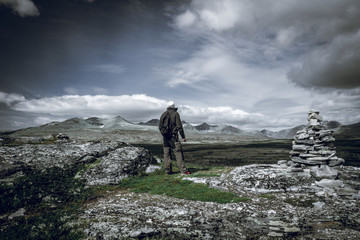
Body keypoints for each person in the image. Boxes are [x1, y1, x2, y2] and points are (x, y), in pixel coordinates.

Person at [159, 101, 190, 175]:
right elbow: (179, 126)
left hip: (165, 137)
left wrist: (164, 134)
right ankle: (183, 171)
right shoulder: (176, 114)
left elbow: (160, 127)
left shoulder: (163, 114)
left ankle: (168, 171)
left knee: (166, 154)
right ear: (174, 106)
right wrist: (183, 137)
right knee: (178, 153)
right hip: (174, 137)